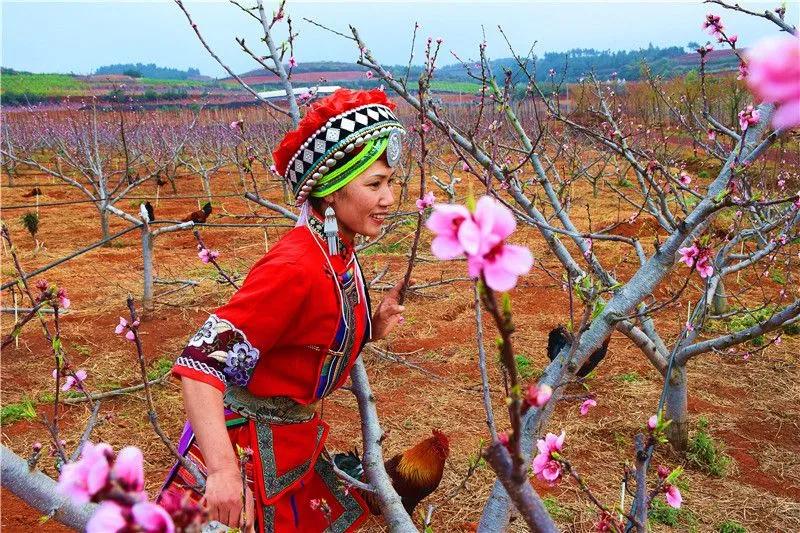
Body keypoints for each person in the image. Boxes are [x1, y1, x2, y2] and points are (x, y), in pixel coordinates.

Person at [159, 88, 408, 532]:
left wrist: (368, 328)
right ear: (330, 194)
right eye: (374, 185)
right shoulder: (296, 266)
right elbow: (200, 366)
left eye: (390, 182)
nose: (389, 198)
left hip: (290, 444)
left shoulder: (337, 252)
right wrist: (221, 471)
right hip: (247, 453)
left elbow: (305, 335)